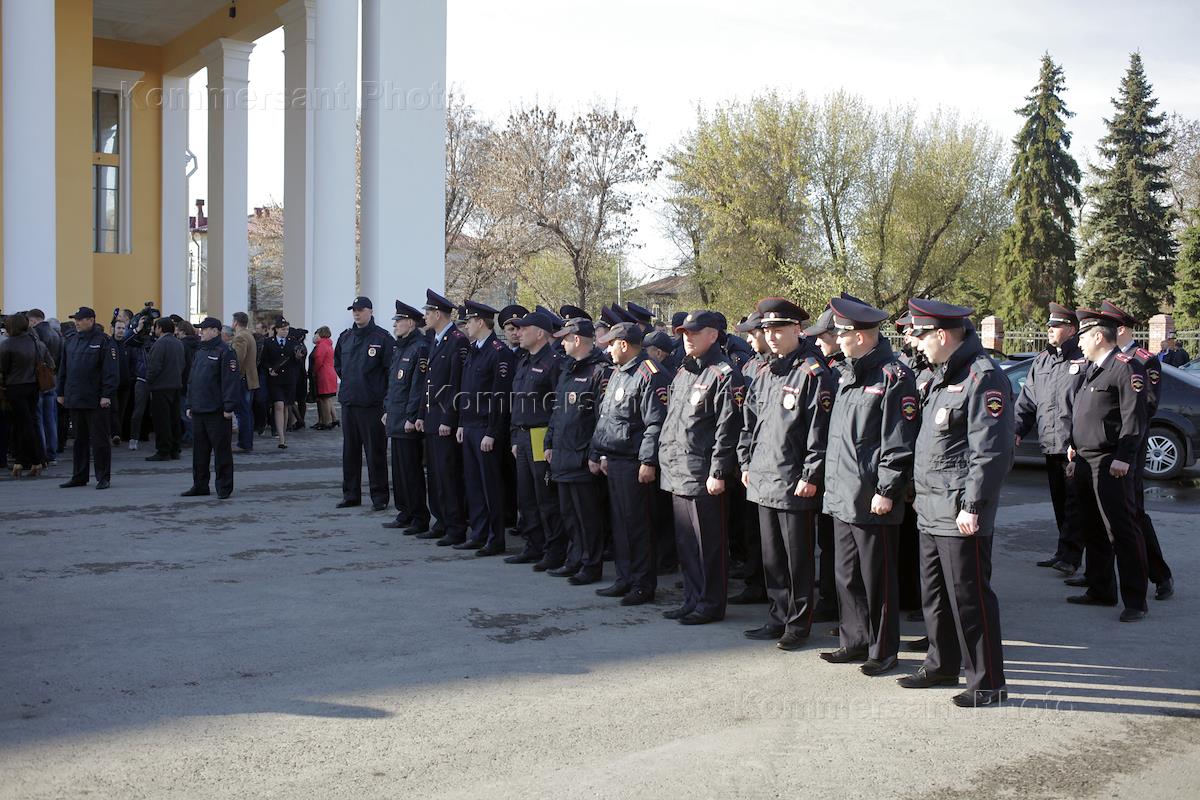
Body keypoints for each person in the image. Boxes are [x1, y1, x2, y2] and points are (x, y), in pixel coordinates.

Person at [897, 299, 1012, 708]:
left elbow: (991, 452)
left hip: (960, 511)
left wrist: (974, 505)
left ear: (942, 335)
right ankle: (941, 664)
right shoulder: (939, 377)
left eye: (922, 335)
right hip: (930, 507)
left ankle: (987, 681)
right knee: (935, 595)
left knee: (970, 597)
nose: (917, 342)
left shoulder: (983, 379)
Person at [818, 297, 917, 676]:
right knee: (847, 575)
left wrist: (887, 490)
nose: (837, 339)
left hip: (872, 497)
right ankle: (854, 640)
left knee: (878, 579)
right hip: (842, 493)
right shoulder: (846, 374)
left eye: (842, 333)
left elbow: (898, 440)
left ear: (860, 336)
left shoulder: (894, 377)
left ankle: (883, 648)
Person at [737, 299, 833, 648]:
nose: (771, 336)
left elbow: (819, 432)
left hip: (794, 482)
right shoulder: (765, 373)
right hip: (762, 478)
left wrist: (811, 474)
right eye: (767, 330)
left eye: (779, 329)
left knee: (798, 560)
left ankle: (798, 623)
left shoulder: (812, 374)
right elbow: (749, 423)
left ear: (797, 329)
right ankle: (778, 615)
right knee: (773, 557)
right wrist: (745, 462)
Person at [1065, 307, 1150, 622]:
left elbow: (1134, 419)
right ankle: (1101, 589)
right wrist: (1074, 446)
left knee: (1121, 530)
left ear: (1098, 336)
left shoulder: (1126, 368)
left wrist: (1124, 458)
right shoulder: (1093, 367)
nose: (1080, 342)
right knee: (1093, 528)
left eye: (1084, 336)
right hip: (1085, 459)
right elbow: (1084, 412)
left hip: (1110, 461)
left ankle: (1135, 600)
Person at [660, 310, 745, 625]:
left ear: (712, 335)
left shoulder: (723, 374)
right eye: (684, 332)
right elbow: (673, 423)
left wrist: (718, 471)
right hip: (678, 470)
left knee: (708, 543)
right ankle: (692, 598)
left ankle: (710, 603)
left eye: (694, 332)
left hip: (702, 473)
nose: (687, 337)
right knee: (686, 542)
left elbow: (727, 427)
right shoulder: (683, 372)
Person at [1100, 300, 1174, 601]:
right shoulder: (1104, 359)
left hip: (1129, 446)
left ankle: (1160, 575)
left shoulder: (1144, 360)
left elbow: (1149, 405)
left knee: (1133, 513)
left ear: (1120, 329)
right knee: (1107, 513)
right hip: (1104, 448)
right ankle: (1101, 578)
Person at [591, 321, 670, 603]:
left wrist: (648, 461)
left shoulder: (650, 374)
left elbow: (654, 424)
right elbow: (607, 416)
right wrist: (599, 453)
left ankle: (642, 584)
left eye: (611, 344)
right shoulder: (619, 373)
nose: (608, 349)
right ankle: (624, 578)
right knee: (621, 525)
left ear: (624, 345)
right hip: (615, 459)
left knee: (638, 526)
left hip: (635, 462)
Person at [1013, 303, 1087, 576]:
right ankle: (1062, 551)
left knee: (1074, 502)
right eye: (1049, 326)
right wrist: (1017, 429)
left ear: (1071, 329)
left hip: (1073, 446)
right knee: (1059, 500)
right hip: (1050, 442)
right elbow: (1027, 401)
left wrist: (1078, 440)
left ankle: (1072, 555)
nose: (1050, 330)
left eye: (1056, 326)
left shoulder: (1082, 357)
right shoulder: (1042, 360)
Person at [545, 317, 612, 583]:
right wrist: (549, 441)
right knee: (569, 514)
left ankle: (590, 564)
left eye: (564, 338)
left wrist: (595, 453)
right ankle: (574, 559)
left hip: (582, 455)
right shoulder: (567, 369)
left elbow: (602, 418)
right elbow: (558, 411)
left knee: (588, 516)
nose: (561, 342)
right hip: (563, 453)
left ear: (576, 340)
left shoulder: (599, 371)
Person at [506, 310, 568, 568]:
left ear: (540, 333)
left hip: (541, 434)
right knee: (526, 496)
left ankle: (554, 551)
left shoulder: (554, 362)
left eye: (524, 328)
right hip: (522, 435)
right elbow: (516, 402)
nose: (518, 332)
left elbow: (558, 405)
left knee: (546, 497)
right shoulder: (523, 361)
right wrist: (513, 435)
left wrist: (550, 441)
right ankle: (533, 545)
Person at [454, 300, 515, 555]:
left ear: (480, 322)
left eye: (469, 321)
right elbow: (466, 390)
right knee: (473, 484)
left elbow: (500, 396)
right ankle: (478, 533)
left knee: (490, 485)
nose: (466, 326)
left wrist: (492, 431)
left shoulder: (498, 352)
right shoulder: (473, 350)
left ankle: (495, 537)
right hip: (469, 426)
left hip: (485, 428)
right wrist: (461, 423)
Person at [417, 289, 471, 545]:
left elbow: (455, 384)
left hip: (443, 420)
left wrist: (448, 419)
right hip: (431, 416)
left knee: (448, 474)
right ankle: (440, 519)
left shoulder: (456, 340)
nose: (425, 317)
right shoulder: (436, 339)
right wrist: (421, 414)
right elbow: (428, 382)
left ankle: (455, 525)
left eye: (428, 312)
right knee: (435, 475)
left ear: (438, 313)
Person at [333, 296, 394, 511]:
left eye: (360, 310)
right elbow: (338, 364)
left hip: (372, 404)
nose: (356, 313)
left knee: (375, 452)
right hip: (349, 402)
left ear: (370, 311)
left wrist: (382, 397)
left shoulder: (383, 338)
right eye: (354, 310)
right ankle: (351, 494)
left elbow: (390, 371)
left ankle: (379, 496)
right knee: (350, 452)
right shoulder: (345, 337)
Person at [382, 301, 432, 533]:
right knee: (399, 471)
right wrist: (387, 410)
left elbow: (417, 387)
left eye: (398, 321)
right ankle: (405, 511)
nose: (395, 326)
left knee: (411, 471)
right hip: (396, 416)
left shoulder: (419, 348)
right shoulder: (400, 347)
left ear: (410, 323)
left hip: (407, 420)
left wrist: (412, 416)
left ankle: (419, 516)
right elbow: (394, 384)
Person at [57, 307, 119, 489]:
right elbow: (64, 369)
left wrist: (106, 395)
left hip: (96, 400)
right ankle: (79, 476)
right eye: (75, 319)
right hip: (75, 397)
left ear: (91, 320)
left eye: (80, 319)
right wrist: (60, 392)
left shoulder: (104, 342)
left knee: (100, 440)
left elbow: (111, 372)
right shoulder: (70, 341)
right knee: (79, 440)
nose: (76, 322)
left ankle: (103, 477)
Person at [182, 317, 240, 498]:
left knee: (221, 451)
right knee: (199, 452)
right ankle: (200, 485)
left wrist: (229, 407)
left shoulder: (225, 352)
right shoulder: (200, 351)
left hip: (217, 411)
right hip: (199, 409)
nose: (201, 332)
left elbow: (230, 381)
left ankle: (224, 487)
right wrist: (190, 403)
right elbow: (192, 380)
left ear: (215, 331)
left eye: (204, 329)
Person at [0, 312, 55, 477]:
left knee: (23, 425)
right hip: (34, 387)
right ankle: (26, 460)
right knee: (30, 422)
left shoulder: (7, 345)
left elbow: (3, 369)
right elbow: (50, 363)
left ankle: (35, 459)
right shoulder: (35, 342)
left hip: (15, 388)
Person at [145, 317, 185, 461]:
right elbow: (182, 364)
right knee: (174, 419)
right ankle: (175, 448)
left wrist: (148, 382)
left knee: (161, 420)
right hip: (175, 385)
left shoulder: (159, 344)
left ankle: (163, 450)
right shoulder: (178, 343)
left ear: (160, 328)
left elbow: (154, 367)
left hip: (160, 387)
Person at [261, 317, 304, 448]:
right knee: (278, 405)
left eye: (287, 329)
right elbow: (264, 360)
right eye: (283, 329)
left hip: (289, 379)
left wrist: (298, 358)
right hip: (275, 379)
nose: (285, 332)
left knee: (286, 407)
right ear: (277, 330)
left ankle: (283, 434)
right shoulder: (269, 342)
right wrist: (269, 369)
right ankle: (281, 438)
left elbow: (297, 362)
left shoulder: (293, 342)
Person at [27, 308, 62, 459]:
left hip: (40, 380)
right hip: (52, 379)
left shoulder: (37, 335)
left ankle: (43, 451)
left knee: (39, 418)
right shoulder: (56, 333)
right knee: (51, 418)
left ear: (33, 320)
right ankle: (52, 451)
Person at [230, 312, 260, 452]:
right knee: (247, 412)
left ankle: (244, 443)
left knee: (243, 413)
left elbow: (237, 360)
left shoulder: (241, 336)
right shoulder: (249, 335)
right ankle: (247, 442)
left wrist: (233, 376)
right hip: (250, 378)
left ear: (235, 322)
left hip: (243, 379)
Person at [311, 326, 339, 430]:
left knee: (324, 399)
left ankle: (327, 422)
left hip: (324, 374)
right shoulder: (328, 344)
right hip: (330, 373)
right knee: (327, 398)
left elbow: (319, 360)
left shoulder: (322, 345)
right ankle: (331, 420)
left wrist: (314, 371)